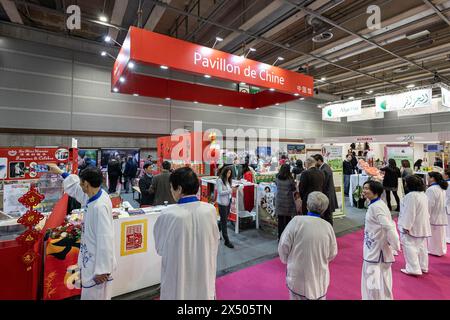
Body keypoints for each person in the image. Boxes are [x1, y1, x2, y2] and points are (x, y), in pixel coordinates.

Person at [48, 164, 116, 300]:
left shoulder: (99, 207)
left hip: (97, 265)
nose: (79, 185)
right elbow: (75, 188)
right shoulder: (95, 195)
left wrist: (102, 270)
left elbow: (106, 238)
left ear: (86, 184)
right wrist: (61, 172)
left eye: (81, 182)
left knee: (96, 296)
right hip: (90, 258)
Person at [154, 167, 219, 299]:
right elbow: (215, 240)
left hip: (179, 274)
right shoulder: (210, 210)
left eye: (172, 187)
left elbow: (160, 248)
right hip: (204, 269)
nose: (171, 191)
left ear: (179, 189)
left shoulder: (168, 214)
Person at [278, 192, 337, 300]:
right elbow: (332, 253)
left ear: (307, 205)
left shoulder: (296, 221)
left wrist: (287, 260)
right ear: (324, 209)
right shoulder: (328, 226)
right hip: (319, 278)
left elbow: (283, 246)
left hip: (297, 275)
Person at [361, 180, 400, 300]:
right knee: (381, 281)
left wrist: (395, 245)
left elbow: (389, 226)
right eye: (364, 188)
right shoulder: (376, 205)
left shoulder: (377, 207)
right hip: (374, 247)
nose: (364, 191)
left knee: (373, 283)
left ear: (376, 191)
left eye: (367, 188)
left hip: (376, 251)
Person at [398, 175, 431, 276]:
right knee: (421, 247)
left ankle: (413, 268)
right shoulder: (423, 194)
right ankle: (423, 266)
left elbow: (409, 212)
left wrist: (406, 226)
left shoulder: (411, 196)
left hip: (413, 226)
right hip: (422, 224)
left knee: (409, 246)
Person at [426, 172, 449, 256]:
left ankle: (435, 251)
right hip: (441, 214)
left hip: (434, 216)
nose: (427, 178)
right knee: (441, 235)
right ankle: (440, 250)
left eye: (428, 177)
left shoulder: (431, 189)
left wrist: (426, 216)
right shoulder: (441, 187)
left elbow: (429, 204)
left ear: (432, 178)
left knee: (435, 235)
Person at [313, 154, 338, 226]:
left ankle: (329, 232)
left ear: (319, 161)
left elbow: (323, 184)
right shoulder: (324, 167)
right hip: (328, 194)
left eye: (315, 162)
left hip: (327, 195)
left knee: (328, 216)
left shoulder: (324, 170)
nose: (314, 164)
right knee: (328, 215)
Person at [275, 164, 297, 239]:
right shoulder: (290, 179)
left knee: (280, 221)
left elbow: (276, 185)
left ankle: (280, 237)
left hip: (279, 201)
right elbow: (293, 189)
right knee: (288, 220)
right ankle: (287, 237)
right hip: (288, 201)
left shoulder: (277, 177)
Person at [216, 166, 235, 248]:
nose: (229, 174)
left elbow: (228, 192)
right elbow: (220, 192)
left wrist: (232, 190)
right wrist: (231, 190)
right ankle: (226, 240)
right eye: (228, 172)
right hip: (222, 204)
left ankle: (215, 231)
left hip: (228, 202)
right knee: (224, 222)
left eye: (230, 173)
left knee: (224, 220)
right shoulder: (219, 180)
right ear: (224, 172)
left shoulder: (228, 181)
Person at [444, 169, 450, 243]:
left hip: (447, 205)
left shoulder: (446, 183)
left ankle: (448, 237)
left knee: (447, 223)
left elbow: (445, 195)